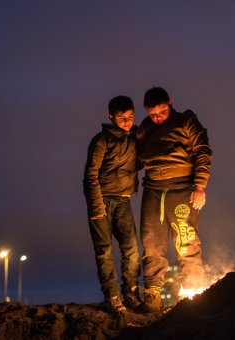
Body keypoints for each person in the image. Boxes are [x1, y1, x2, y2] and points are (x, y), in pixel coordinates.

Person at [136, 87, 213, 312]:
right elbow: (134, 156)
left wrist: (200, 186)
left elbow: (203, 151)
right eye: (153, 114)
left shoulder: (186, 121)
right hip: (153, 190)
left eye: (161, 112)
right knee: (151, 243)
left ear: (170, 103)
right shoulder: (145, 129)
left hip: (182, 189)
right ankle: (152, 295)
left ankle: (191, 291)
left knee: (186, 240)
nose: (158, 117)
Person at [83, 95, 143, 313]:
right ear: (111, 117)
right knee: (104, 250)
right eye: (121, 117)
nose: (127, 121)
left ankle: (131, 293)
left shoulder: (136, 138)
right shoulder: (101, 140)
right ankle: (112, 296)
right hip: (101, 200)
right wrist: (96, 205)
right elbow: (90, 173)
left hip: (123, 200)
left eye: (130, 116)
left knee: (132, 248)